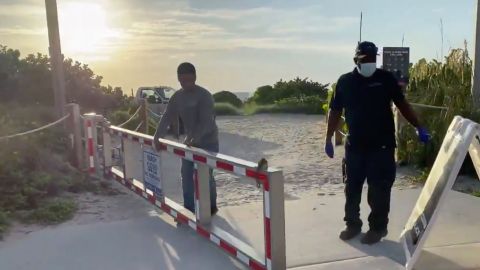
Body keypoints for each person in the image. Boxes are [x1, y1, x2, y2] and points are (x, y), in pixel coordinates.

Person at [325, 41, 430, 245]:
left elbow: (402, 104)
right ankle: (352, 225)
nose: (370, 63)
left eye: (373, 59)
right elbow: (335, 110)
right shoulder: (345, 82)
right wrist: (328, 138)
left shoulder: (385, 79)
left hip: (381, 146)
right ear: (356, 59)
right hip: (355, 146)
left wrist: (418, 126)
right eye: (365, 59)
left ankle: (378, 228)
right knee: (352, 188)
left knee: (379, 189)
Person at [153, 62, 219, 215]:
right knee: (187, 174)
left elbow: (207, 123)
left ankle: (211, 208)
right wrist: (157, 136)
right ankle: (189, 210)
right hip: (190, 143)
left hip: (208, 142)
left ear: (195, 77)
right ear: (178, 79)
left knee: (206, 176)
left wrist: (194, 139)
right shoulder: (177, 97)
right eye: (183, 81)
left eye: (189, 80)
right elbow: (167, 116)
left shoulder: (205, 96)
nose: (187, 84)